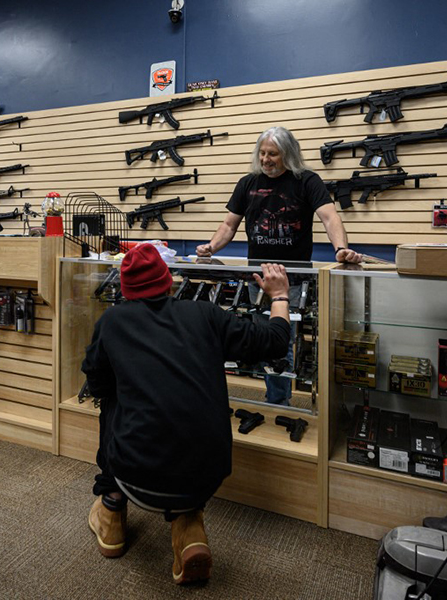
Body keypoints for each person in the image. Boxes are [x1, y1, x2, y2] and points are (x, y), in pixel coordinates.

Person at [82, 243, 291, 585]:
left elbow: (98, 383)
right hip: (207, 473)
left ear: (124, 287)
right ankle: (189, 526)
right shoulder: (205, 315)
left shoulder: (112, 321)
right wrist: (280, 295)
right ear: (169, 282)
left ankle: (112, 508)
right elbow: (274, 342)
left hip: (135, 472)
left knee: (110, 398)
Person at [196, 126, 363, 405]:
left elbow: (330, 217)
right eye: (262, 153)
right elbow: (229, 224)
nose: (265, 159)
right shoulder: (248, 182)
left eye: (272, 154)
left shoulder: (306, 180)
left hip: (293, 280)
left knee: (281, 343)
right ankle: (272, 397)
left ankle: (277, 402)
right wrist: (211, 247)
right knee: (261, 338)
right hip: (257, 279)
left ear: (288, 154)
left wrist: (341, 249)